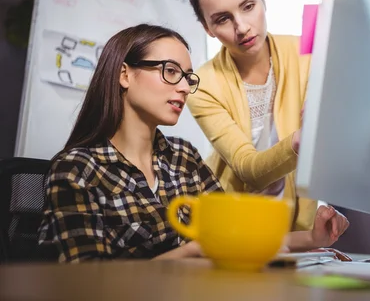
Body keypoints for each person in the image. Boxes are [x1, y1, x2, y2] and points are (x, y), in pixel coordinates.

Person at [38, 24, 349, 263]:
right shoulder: (76, 170)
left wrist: (313, 237)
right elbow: (85, 280)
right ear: (124, 75)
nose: (186, 87)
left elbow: (240, 236)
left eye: (188, 77)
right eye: (171, 71)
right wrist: (186, 257)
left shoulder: (183, 157)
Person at [185, 0, 319, 231]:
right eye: (223, 19)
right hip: (232, 225)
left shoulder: (305, 55)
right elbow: (249, 169)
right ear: (208, 28)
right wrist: (300, 141)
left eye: (248, 6)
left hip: (297, 229)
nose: (242, 27)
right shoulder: (202, 85)